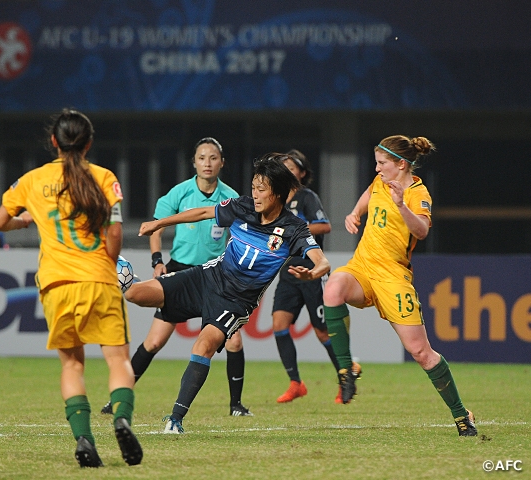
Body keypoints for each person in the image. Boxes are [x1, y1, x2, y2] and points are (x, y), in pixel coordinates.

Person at [124, 153, 331, 434]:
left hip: (236, 302)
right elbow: (202, 212)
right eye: (254, 188)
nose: (255, 195)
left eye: (262, 190)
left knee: (203, 345)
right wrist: (160, 223)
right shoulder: (242, 206)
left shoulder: (294, 228)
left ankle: (175, 419)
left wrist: (314, 272)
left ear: (278, 193)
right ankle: (119, 271)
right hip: (207, 277)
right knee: (134, 294)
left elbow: (323, 261)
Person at [0, 109, 143, 467]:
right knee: (118, 359)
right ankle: (122, 419)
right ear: (89, 143)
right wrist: (109, 254)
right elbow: (115, 234)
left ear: (54, 141)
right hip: (100, 279)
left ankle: (84, 439)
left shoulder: (31, 180)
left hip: (57, 284)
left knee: (72, 365)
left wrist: (26, 220)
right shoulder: (104, 177)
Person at [322, 135, 477, 436]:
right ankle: (346, 370)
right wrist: (355, 213)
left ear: (401, 164)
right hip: (363, 267)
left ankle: (461, 414)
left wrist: (400, 206)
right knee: (333, 288)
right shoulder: (381, 181)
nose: (377, 169)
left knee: (422, 353)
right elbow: (369, 192)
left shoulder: (418, 194)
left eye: (382, 163)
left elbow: (420, 230)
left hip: (393, 276)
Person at [101, 137, 252, 417]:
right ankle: (118, 398)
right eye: (202, 158)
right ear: (194, 163)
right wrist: (157, 261)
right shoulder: (180, 192)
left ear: (222, 163)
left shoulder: (231, 197)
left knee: (234, 341)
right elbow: (157, 227)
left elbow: (241, 237)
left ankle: (236, 406)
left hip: (216, 278)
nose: (207, 163)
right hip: (181, 272)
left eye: (213, 158)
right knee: (155, 341)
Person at [272, 149, 350, 404]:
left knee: (322, 333)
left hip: (312, 270)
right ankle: (296, 383)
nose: (287, 172)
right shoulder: (278, 200)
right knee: (279, 325)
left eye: (292, 168)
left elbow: (324, 225)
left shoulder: (307, 197)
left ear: (302, 173)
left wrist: (295, 228)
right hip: (288, 271)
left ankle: (345, 379)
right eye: (283, 168)